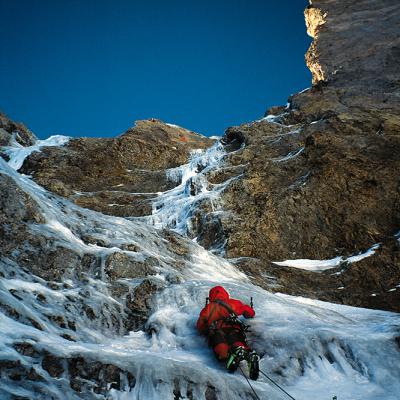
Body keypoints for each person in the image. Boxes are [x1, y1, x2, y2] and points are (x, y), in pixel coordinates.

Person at [196, 285, 259, 379]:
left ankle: (227, 356)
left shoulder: (209, 308)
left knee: (220, 344)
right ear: (225, 294)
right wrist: (250, 312)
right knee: (237, 340)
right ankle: (245, 352)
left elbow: (200, 326)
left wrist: (205, 329)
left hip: (217, 330)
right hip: (234, 328)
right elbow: (248, 312)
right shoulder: (233, 303)